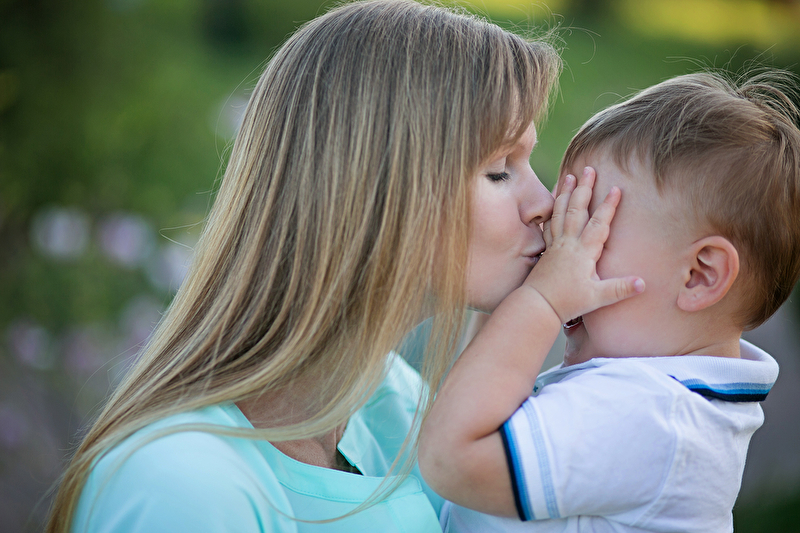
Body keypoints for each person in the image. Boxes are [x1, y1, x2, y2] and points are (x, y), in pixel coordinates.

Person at [42, 0, 614, 531]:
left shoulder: (392, 402)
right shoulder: (181, 485)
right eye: (499, 170)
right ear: (379, 190)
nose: (544, 203)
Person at [419, 70, 800, 532]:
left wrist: (540, 300)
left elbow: (452, 459)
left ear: (699, 275)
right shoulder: (671, 401)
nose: (556, 241)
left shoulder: (654, 414)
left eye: (587, 227)